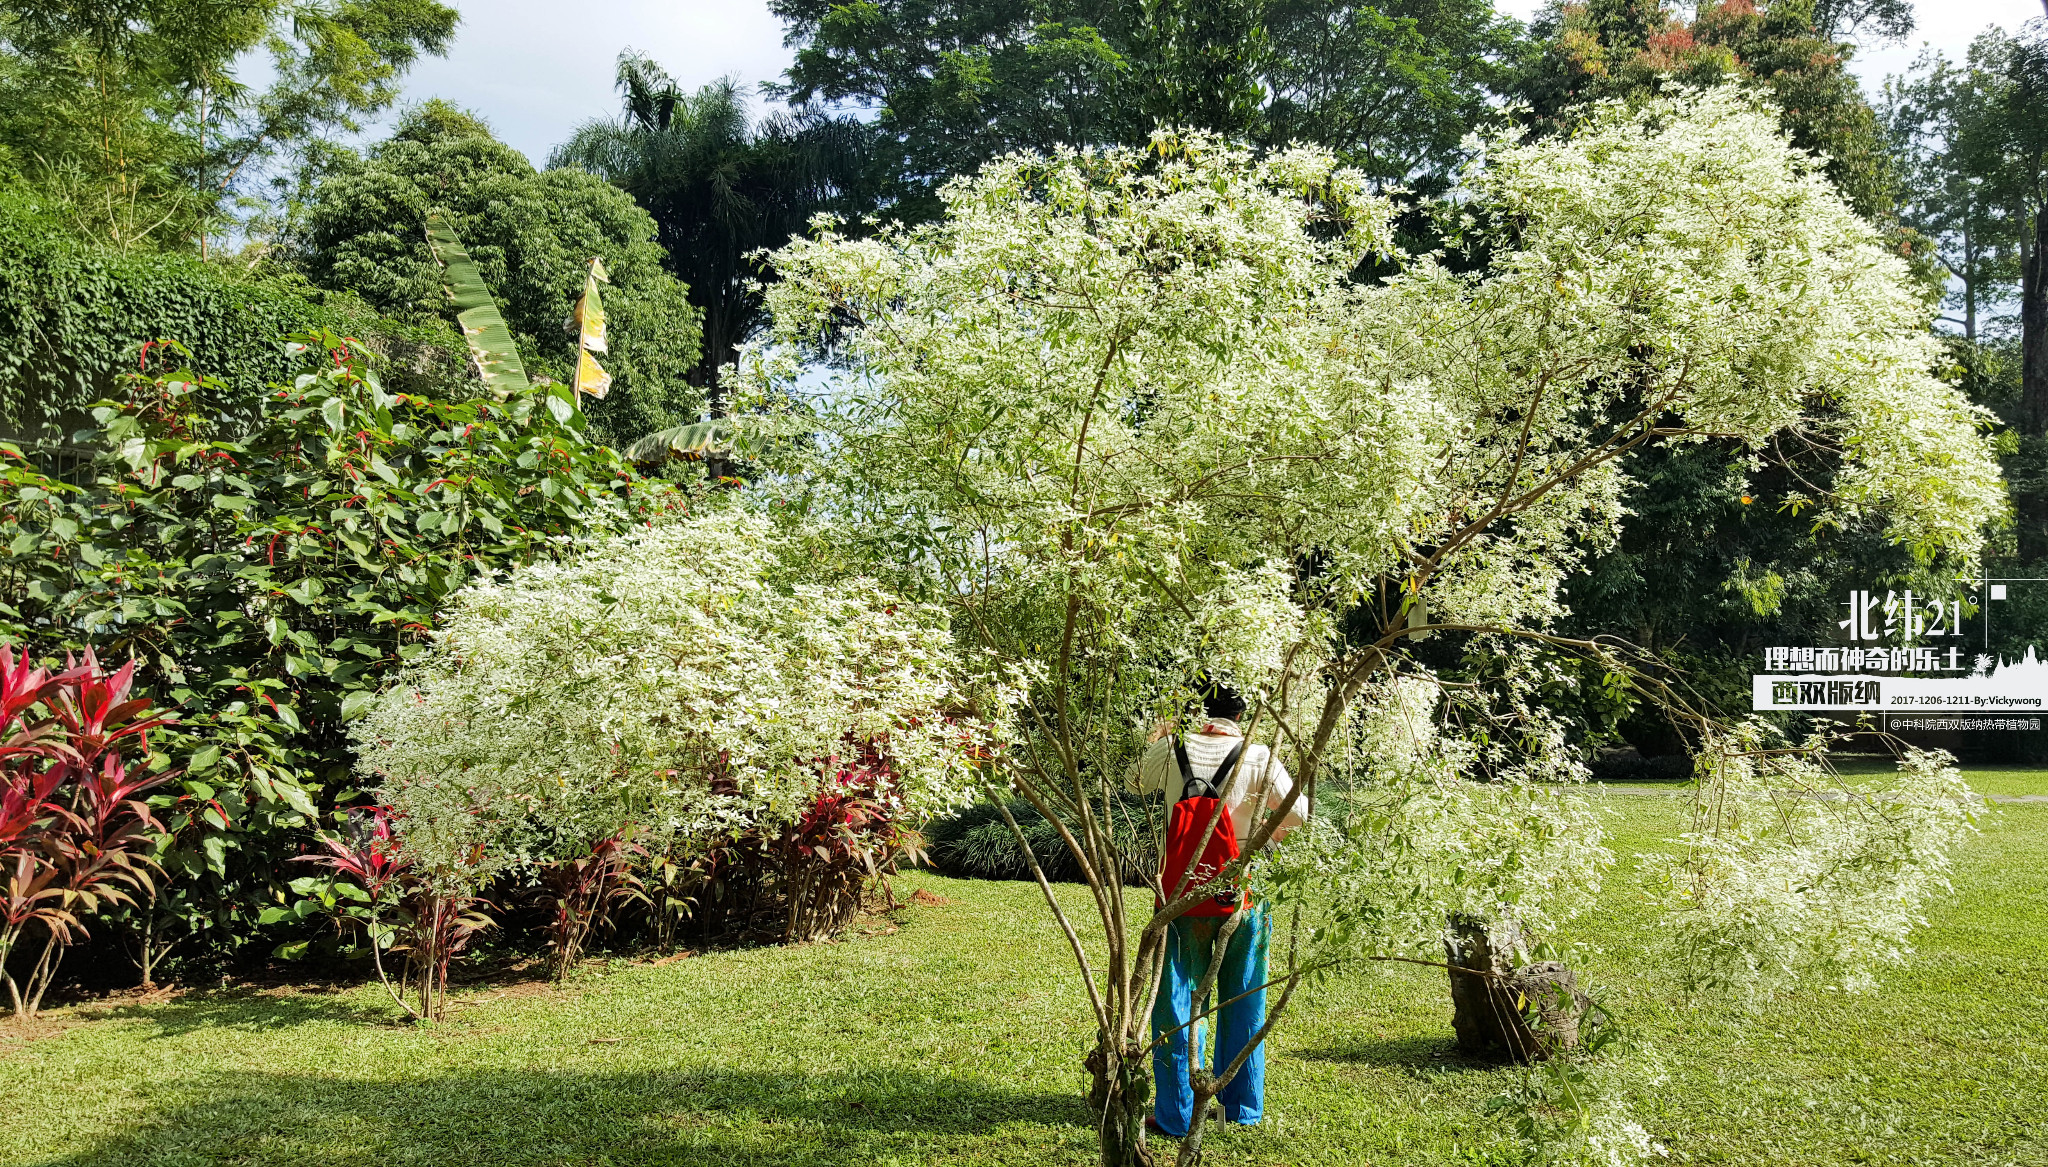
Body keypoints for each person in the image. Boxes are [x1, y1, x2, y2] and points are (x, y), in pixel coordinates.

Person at [1129, 683, 1306, 1137]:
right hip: (1240, 888)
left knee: (1175, 999)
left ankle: (1177, 1113)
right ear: (1242, 715)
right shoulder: (1259, 754)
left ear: (1199, 709)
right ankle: (1241, 1106)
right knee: (1243, 994)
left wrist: (1161, 733)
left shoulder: (1170, 749)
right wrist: (1261, 838)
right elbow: (1298, 813)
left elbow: (1135, 782)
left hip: (1179, 893)